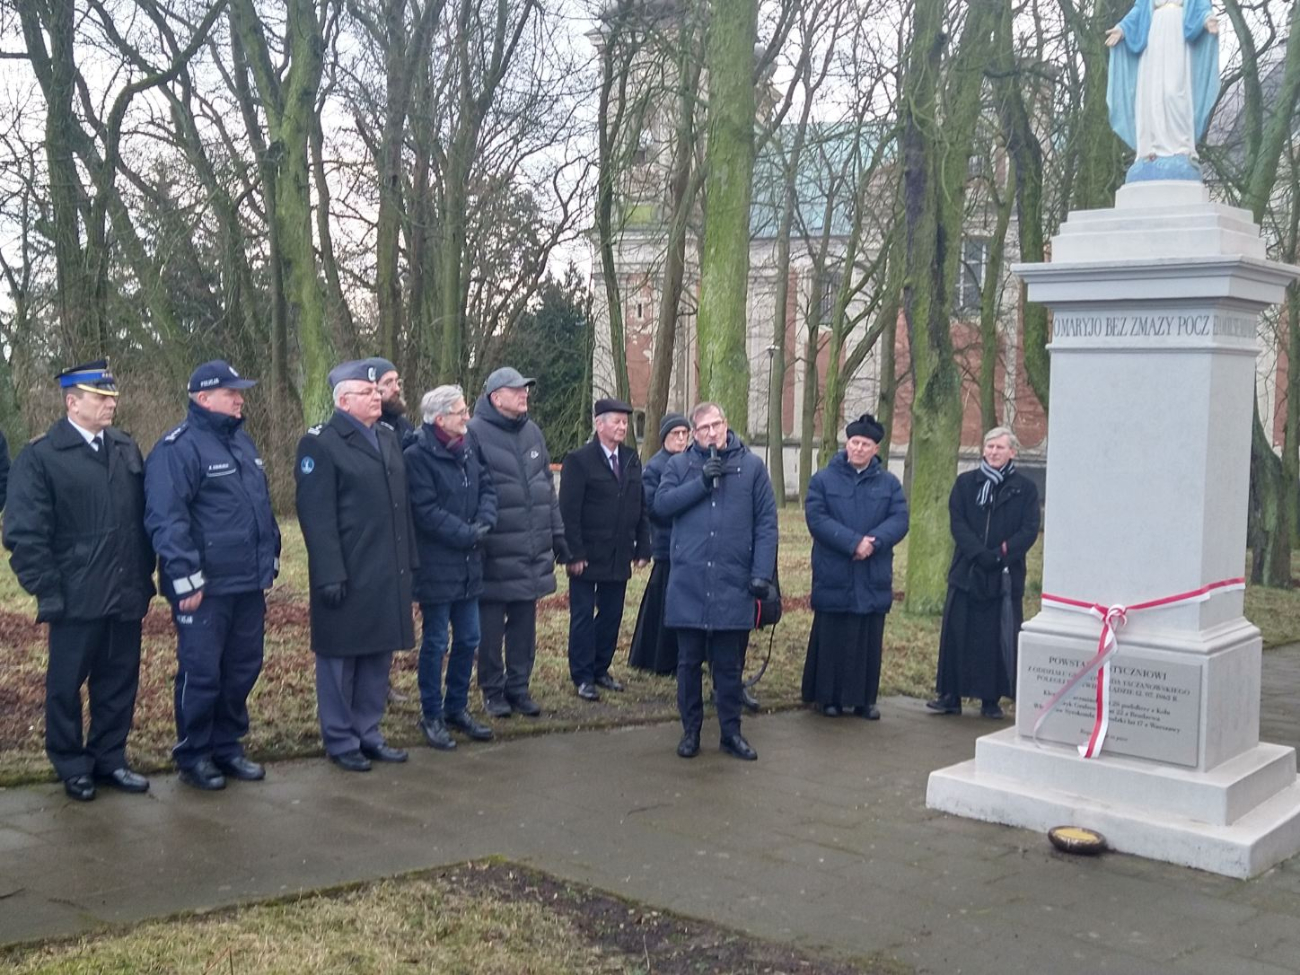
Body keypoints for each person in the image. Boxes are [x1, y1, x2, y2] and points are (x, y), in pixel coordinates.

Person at [3, 360, 155, 801]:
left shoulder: (125, 447)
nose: (111, 404)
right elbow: (25, 534)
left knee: (119, 681)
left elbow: (141, 520)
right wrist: (49, 590)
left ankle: (110, 757)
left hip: (125, 590)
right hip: (75, 595)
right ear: (72, 402)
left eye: (112, 397)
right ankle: (71, 763)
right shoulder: (41, 457)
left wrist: (144, 575)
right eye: (100, 397)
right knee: (66, 686)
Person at [144, 360, 281, 791]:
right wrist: (185, 578)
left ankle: (227, 746)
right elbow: (166, 519)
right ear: (204, 398)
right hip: (204, 589)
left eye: (240, 392)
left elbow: (260, 509)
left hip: (246, 582)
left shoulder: (242, 444)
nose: (240, 399)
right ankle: (194, 753)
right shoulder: (177, 448)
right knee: (202, 672)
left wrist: (270, 556)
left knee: (243, 668)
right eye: (231, 392)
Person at [295, 360, 417, 771]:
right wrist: (329, 572)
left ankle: (368, 731)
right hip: (347, 571)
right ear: (343, 400)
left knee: (377, 656)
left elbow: (401, 506)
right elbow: (316, 516)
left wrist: (409, 561)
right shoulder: (323, 443)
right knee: (340, 659)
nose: (375, 397)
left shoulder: (386, 437)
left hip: (387, 567)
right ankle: (341, 737)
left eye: (375, 391)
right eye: (366, 393)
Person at [655, 402, 777, 761]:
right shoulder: (679, 465)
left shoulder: (752, 467)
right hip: (690, 581)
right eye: (704, 428)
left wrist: (761, 573)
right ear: (693, 434)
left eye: (717, 425)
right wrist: (701, 482)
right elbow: (661, 507)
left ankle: (731, 733)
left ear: (727, 424)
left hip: (733, 581)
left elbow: (767, 524)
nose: (712, 433)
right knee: (688, 663)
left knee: (728, 666)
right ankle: (690, 731)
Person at [467, 366, 571, 718]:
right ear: (496, 397)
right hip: (493, 552)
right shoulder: (474, 434)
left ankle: (519, 687)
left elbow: (546, 491)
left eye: (526, 389)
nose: (524, 394)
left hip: (530, 550)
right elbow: (472, 493)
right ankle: (492, 691)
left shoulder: (533, 434)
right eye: (516, 390)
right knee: (491, 630)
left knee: (524, 629)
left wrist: (558, 536)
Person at [404, 384, 497, 750]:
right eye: (460, 412)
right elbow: (425, 511)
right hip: (437, 565)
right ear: (440, 418)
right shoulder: (417, 456)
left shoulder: (470, 446)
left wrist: (485, 522)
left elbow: (488, 486)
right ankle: (431, 713)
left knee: (470, 638)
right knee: (436, 641)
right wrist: (467, 535)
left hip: (470, 564)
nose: (467, 418)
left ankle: (457, 707)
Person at [928, 427, 1041, 719]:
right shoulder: (966, 484)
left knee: (995, 637)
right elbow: (958, 522)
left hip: (1004, 574)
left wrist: (1002, 553)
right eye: (989, 446)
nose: (993, 452)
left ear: (1012, 452)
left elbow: (1029, 529)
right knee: (958, 633)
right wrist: (979, 553)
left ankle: (990, 699)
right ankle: (950, 695)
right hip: (967, 570)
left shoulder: (1025, 489)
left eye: (1000, 448)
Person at [802, 414, 908, 720]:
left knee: (868, 639)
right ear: (846, 444)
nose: (859, 448)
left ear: (876, 449)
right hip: (835, 568)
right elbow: (817, 518)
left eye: (866, 444)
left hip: (872, 572)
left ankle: (864, 699)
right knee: (833, 635)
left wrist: (873, 543)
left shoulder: (889, 483)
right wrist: (852, 543)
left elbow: (900, 519)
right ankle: (828, 698)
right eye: (854, 442)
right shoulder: (823, 479)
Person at [560, 398, 650, 701]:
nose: (623, 427)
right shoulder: (579, 460)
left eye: (626, 422)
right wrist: (572, 554)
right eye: (617, 422)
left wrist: (643, 546)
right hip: (586, 555)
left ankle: (601, 668)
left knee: (611, 615)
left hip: (619, 553)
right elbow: (568, 512)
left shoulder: (631, 459)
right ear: (599, 424)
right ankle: (583, 675)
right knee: (583, 616)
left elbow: (641, 505)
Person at [1106, 0, 1219, 174]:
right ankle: (1151, 148)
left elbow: (1201, 6)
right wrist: (1122, 28)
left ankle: (1181, 147)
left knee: (1173, 91)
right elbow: (1139, 10)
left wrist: (1207, 18)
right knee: (1152, 93)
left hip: (1177, 34)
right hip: (1154, 35)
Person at [628, 412, 691, 674]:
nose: (681, 438)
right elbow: (652, 506)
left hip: (688, 548)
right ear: (664, 437)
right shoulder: (655, 467)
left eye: (684, 434)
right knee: (661, 604)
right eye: (675, 434)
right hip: (666, 546)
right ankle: (655, 657)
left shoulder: (690, 462)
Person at [369, 356, 415, 444]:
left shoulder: (404, 426)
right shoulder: (365, 427)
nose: (397, 389)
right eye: (388, 383)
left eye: (397, 382)